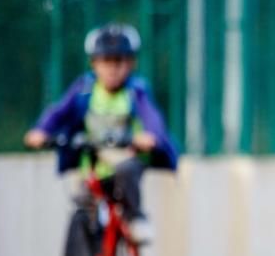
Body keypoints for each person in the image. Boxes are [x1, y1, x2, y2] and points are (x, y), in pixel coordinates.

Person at [24, 23, 179, 244]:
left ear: (131, 64)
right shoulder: (85, 88)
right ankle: (89, 254)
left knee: (127, 172)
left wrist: (152, 137)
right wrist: (41, 130)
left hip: (127, 155)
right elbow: (59, 111)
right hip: (94, 159)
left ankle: (135, 216)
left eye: (119, 62)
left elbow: (152, 117)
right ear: (94, 64)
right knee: (83, 200)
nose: (112, 69)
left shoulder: (135, 91)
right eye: (106, 61)